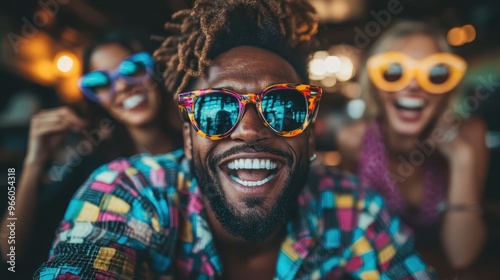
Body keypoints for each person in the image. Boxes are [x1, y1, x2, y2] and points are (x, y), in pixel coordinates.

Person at [35, 1, 435, 279]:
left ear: (311, 137)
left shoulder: (353, 207)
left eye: (282, 106)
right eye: (216, 110)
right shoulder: (129, 189)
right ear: (188, 137)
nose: (248, 129)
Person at [0, 28, 182, 278]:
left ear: (152, 69)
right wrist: (34, 162)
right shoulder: (93, 170)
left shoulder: (199, 145)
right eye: (100, 82)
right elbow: (10, 251)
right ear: (95, 98)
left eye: (132, 69)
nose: (121, 87)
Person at [336, 20, 488, 268]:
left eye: (435, 74)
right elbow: (345, 238)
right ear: (375, 85)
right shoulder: (353, 140)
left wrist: (461, 160)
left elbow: (462, 255)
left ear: (448, 88)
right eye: (394, 72)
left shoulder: (470, 135)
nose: (414, 85)